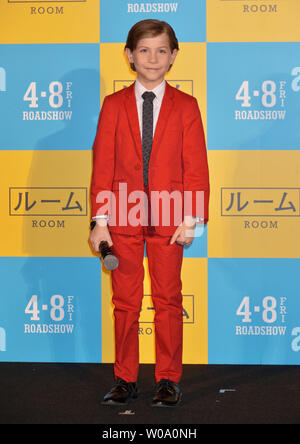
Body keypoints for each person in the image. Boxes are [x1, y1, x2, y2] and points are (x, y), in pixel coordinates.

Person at [89, 19, 210, 407]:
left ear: (174, 56)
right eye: (144, 50)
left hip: (170, 220)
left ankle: (168, 379)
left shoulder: (187, 106)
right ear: (129, 56)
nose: (153, 58)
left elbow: (196, 167)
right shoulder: (113, 105)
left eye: (161, 50)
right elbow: (103, 166)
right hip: (121, 220)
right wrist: (100, 221)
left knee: (168, 299)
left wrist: (191, 218)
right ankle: (125, 378)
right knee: (125, 303)